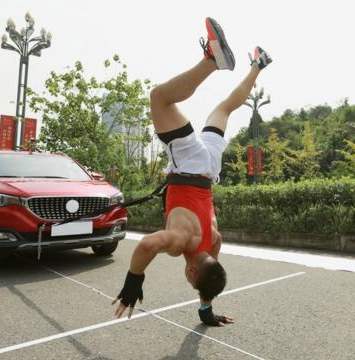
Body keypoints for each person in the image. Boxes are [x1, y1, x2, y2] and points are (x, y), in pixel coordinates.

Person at [112, 17, 272, 326]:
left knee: (224, 108)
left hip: (210, 170)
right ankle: (212, 61)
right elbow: (147, 245)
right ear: (191, 272)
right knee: (159, 97)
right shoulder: (180, 242)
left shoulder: (213, 242)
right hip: (190, 165)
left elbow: (210, 271)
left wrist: (206, 309)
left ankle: (259, 64)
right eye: (192, 280)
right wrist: (133, 282)